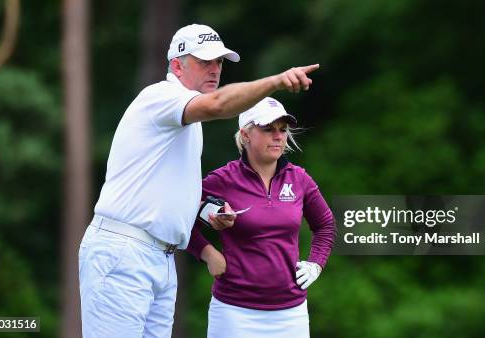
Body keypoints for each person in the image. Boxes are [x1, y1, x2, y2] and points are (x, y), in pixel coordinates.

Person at [78, 23, 319, 338]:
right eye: (205, 61)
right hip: (125, 251)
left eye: (219, 62)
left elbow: (176, 192)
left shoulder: (188, 121)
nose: (215, 69)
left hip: (160, 257)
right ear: (177, 65)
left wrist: (210, 214)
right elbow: (219, 104)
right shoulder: (162, 96)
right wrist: (275, 81)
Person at [186, 97, 336, 338]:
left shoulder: (299, 179)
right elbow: (179, 218)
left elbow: (325, 225)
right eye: (268, 129)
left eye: (282, 130)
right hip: (234, 312)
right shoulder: (222, 180)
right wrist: (207, 252)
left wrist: (316, 263)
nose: (278, 136)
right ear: (245, 135)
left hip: (291, 313)